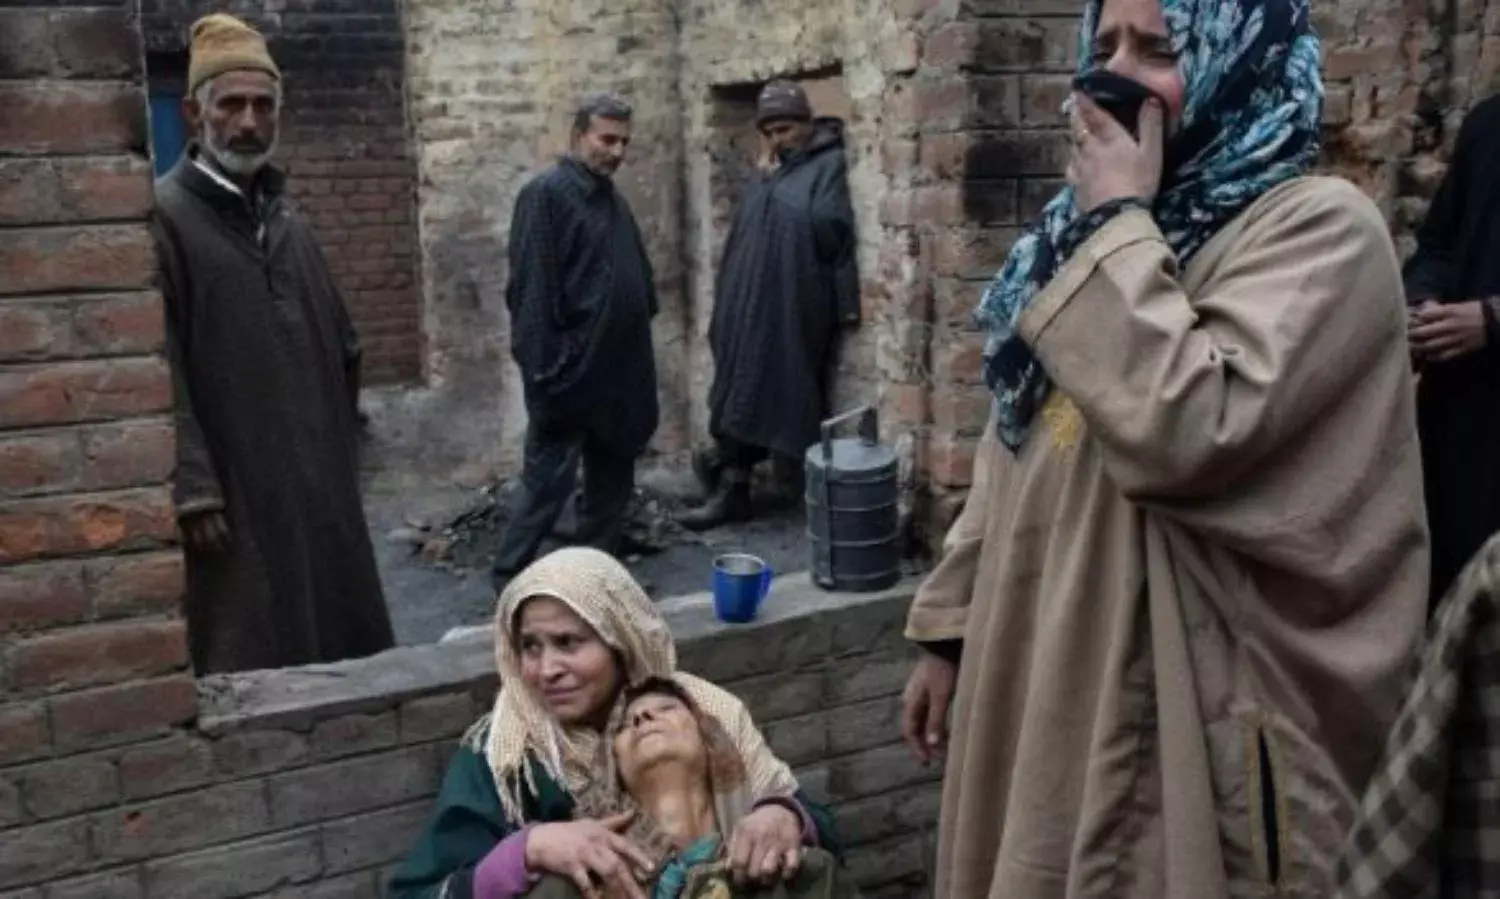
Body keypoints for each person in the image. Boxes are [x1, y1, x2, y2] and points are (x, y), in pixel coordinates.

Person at [897, 0, 1429, 894]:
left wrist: (1116, 224)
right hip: (1043, 652)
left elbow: (1186, 431)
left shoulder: (1320, 231)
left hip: (1196, 702)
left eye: (1159, 49)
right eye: (1103, 45)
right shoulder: (1084, 236)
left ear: (1240, 59)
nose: (1116, 75)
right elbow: (1014, 432)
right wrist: (949, 628)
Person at [151, 13, 394, 674]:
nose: (249, 121)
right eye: (231, 104)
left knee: (340, 643)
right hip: (234, 483)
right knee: (251, 642)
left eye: (263, 105)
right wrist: (194, 487)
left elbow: (342, 344)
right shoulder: (166, 220)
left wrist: (340, 446)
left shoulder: (288, 220)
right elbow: (157, 363)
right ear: (194, 113)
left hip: (317, 475)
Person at [390, 547, 837, 899]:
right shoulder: (508, 759)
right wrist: (529, 850)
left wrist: (781, 815)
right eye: (531, 647)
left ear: (620, 643)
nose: (547, 670)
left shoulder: (696, 711)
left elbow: (823, 838)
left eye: (569, 642)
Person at [490, 95, 660, 591]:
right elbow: (531, 293)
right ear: (578, 136)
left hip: (618, 371)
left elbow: (635, 279)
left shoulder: (611, 200)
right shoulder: (546, 196)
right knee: (546, 485)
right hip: (570, 373)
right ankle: (511, 581)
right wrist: (549, 370)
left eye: (624, 141)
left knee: (611, 483)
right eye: (607, 139)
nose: (617, 151)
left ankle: (593, 582)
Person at [679, 81, 860, 530]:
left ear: (806, 124)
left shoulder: (828, 165)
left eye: (786, 128)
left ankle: (750, 484)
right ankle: (732, 477)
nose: (779, 139)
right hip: (753, 299)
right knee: (738, 377)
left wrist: (777, 191)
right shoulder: (771, 172)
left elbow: (828, 228)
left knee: (780, 379)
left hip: (793, 297)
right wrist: (767, 183)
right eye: (771, 131)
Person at [522, 677, 858, 898]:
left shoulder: (795, 872)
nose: (643, 720)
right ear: (613, 771)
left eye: (666, 709)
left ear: (712, 742)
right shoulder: (577, 887)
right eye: (626, 724)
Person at [1402, 95, 1500, 608]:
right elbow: (1439, 243)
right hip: (1458, 423)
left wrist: (1491, 319)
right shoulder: (1488, 123)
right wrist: (1422, 302)